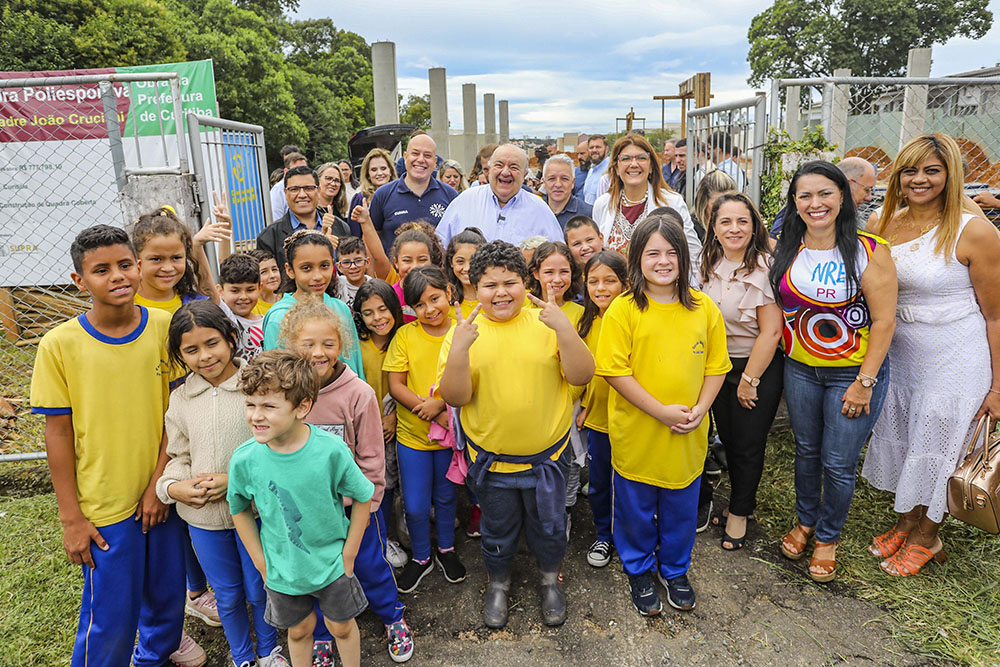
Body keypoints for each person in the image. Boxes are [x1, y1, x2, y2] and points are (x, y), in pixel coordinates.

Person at [30, 225, 206, 667]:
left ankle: (153, 657)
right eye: (101, 270)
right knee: (110, 615)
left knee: (166, 600)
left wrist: (158, 484)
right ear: (79, 281)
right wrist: (71, 517)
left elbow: (176, 414)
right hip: (105, 506)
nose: (118, 276)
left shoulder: (165, 328)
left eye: (125, 265)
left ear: (139, 267)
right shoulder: (59, 345)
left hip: (162, 492)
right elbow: (58, 435)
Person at [862, 133, 1000, 576]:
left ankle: (928, 534)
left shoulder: (972, 229)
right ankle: (907, 522)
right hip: (903, 356)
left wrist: (998, 387)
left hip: (956, 354)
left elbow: (996, 316)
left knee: (940, 444)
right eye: (910, 170)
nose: (919, 179)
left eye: (931, 170)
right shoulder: (885, 224)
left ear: (950, 175)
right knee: (910, 439)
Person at [438, 240, 595, 629]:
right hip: (493, 465)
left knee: (550, 526)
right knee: (497, 528)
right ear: (474, 288)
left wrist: (564, 331)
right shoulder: (464, 333)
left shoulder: (548, 323)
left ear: (526, 282)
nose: (502, 292)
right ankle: (499, 582)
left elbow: (582, 375)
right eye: (490, 285)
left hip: (548, 461)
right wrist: (458, 352)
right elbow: (456, 396)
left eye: (510, 282)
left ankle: (549, 579)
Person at [595, 212, 730, 616]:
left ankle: (674, 569)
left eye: (672, 252)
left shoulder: (704, 308)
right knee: (635, 505)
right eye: (652, 253)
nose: (663, 261)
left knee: (680, 507)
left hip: (687, 432)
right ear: (636, 259)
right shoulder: (623, 309)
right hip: (638, 432)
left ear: (684, 258)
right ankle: (638, 567)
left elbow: (716, 367)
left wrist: (699, 410)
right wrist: (660, 412)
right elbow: (615, 371)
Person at [769, 161, 897, 583]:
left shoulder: (868, 249)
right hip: (802, 369)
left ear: (843, 195)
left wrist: (865, 382)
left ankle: (828, 538)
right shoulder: (786, 247)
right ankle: (806, 521)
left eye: (825, 193)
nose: (815, 203)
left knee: (838, 463)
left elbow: (884, 322)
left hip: (853, 375)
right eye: (804, 195)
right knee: (806, 451)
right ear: (795, 203)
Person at [283, 301, 415, 663]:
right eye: (307, 344)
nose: (318, 353)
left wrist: (368, 504)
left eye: (327, 343)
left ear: (341, 345)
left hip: (354, 508)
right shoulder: (287, 393)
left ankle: (392, 616)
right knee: (318, 573)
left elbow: (372, 458)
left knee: (369, 565)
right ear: (291, 345)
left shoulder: (358, 394)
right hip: (307, 511)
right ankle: (324, 634)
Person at [157, 301, 287, 667]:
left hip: (257, 514)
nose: (204, 356)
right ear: (180, 355)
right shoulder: (181, 399)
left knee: (261, 588)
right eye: (191, 350)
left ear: (232, 339)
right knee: (227, 596)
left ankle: (268, 650)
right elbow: (178, 456)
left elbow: (278, 449)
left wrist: (234, 481)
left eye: (212, 343)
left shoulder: (257, 388)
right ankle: (242, 656)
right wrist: (172, 488)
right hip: (205, 522)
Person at [228, 350, 374, 667]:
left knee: (341, 627)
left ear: (302, 406)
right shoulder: (244, 459)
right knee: (299, 630)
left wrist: (349, 554)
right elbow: (238, 507)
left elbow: (364, 495)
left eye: (268, 406)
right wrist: (260, 560)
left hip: (332, 565)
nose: (255, 415)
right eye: (250, 404)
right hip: (282, 570)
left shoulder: (330, 451)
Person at [700, 193, 784, 551]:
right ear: (714, 229)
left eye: (742, 222)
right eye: (725, 222)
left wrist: (749, 381)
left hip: (756, 365)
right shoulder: (705, 264)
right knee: (729, 440)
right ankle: (741, 501)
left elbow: (772, 331)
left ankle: (739, 512)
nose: (734, 229)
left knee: (749, 443)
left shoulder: (767, 267)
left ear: (754, 227)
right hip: (718, 366)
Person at [384, 266, 466, 593]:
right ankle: (421, 557)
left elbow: (472, 374)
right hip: (413, 438)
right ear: (411, 308)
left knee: (447, 497)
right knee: (415, 505)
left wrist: (443, 403)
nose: (430, 309)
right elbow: (395, 385)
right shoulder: (406, 335)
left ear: (448, 292)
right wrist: (432, 412)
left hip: (451, 438)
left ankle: (446, 550)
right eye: (420, 304)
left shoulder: (462, 331)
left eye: (435, 298)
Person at [575, 250, 628, 568]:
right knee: (598, 483)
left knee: (629, 483)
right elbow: (585, 373)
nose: (601, 288)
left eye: (610, 280)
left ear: (625, 283)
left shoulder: (630, 318)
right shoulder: (585, 322)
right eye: (593, 281)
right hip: (597, 420)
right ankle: (603, 536)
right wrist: (583, 405)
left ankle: (629, 536)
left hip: (631, 419)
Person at [353, 280, 408, 569]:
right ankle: (383, 537)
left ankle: (401, 531)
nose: (377, 318)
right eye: (368, 313)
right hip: (365, 426)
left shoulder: (405, 338)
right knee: (377, 483)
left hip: (401, 420)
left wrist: (395, 417)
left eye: (383, 310)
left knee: (397, 482)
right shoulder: (356, 345)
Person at [260, 231, 365, 381]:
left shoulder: (340, 309)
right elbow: (277, 378)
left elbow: (354, 363)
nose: (318, 276)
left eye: (324, 266)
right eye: (307, 268)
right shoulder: (279, 318)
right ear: (290, 270)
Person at [592, 133, 702, 268]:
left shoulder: (672, 202)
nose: (633, 164)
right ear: (616, 168)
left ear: (651, 167)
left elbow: (693, 253)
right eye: (626, 159)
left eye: (641, 158)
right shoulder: (602, 205)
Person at [435, 144, 564, 246]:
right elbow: (440, 248)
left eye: (514, 167)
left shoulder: (540, 210)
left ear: (525, 175)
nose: (505, 172)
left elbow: (557, 257)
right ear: (489, 170)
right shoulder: (464, 202)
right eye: (499, 165)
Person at [368, 132, 458, 253]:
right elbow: (371, 240)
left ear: (435, 162)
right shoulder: (382, 195)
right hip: (393, 272)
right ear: (405, 157)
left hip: (437, 272)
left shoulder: (450, 195)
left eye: (427, 155)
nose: (420, 160)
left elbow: (457, 240)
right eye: (415, 153)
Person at [132, 206, 227, 314]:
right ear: (137, 260)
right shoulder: (125, 305)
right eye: (156, 259)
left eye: (176, 258)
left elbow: (214, 304)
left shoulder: (193, 304)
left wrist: (197, 246)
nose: (168, 268)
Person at [770, 157, 877, 240]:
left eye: (825, 194)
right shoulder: (789, 221)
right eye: (867, 190)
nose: (869, 198)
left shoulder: (865, 245)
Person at [256, 165, 330, 272]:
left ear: (318, 191)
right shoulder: (269, 237)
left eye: (308, 188)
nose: (302, 195)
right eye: (294, 189)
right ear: (285, 193)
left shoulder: (339, 227)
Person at [216, 253, 265, 362]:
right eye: (235, 291)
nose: (243, 297)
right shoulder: (226, 318)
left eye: (250, 290)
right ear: (220, 291)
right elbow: (206, 286)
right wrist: (197, 246)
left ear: (260, 288)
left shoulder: (267, 321)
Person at [347, 149, 397, 234]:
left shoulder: (401, 195)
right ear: (368, 175)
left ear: (390, 171)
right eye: (374, 170)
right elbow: (355, 234)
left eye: (383, 168)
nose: (379, 173)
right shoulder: (360, 199)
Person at [445, 227, 488, 319]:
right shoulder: (445, 300)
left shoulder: (494, 298)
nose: (467, 268)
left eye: (474, 261)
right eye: (460, 261)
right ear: (451, 262)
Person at [543, 154, 593, 228]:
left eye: (564, 179)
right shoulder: (535, 211)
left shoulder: (588, 214)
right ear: (544, 182)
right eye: (552, 179)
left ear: (573, 182)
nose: (558, 184)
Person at [335, 236, 372, 309]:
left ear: (367, 262)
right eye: (346, 262)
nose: (353, 266)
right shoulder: (337, 284)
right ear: (339, 267)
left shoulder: (374, 287)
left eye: (358, 261)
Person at [270, 149, 307, 221]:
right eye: (297, 170)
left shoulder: (309, 187)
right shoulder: (278, 189)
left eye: (305, 170)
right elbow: (276, 217)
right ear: (286, 172)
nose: (302, 174)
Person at [250, 248, 282, 315]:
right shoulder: (251, 306)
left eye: (274, 269)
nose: (272, 275)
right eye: (264, 272)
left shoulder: (288, 300)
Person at [583, 135, 610, 205]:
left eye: (598, 147)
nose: (594, 150)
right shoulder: (591, 170)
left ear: (606, 149)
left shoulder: (611, 170)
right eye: (591, 147)